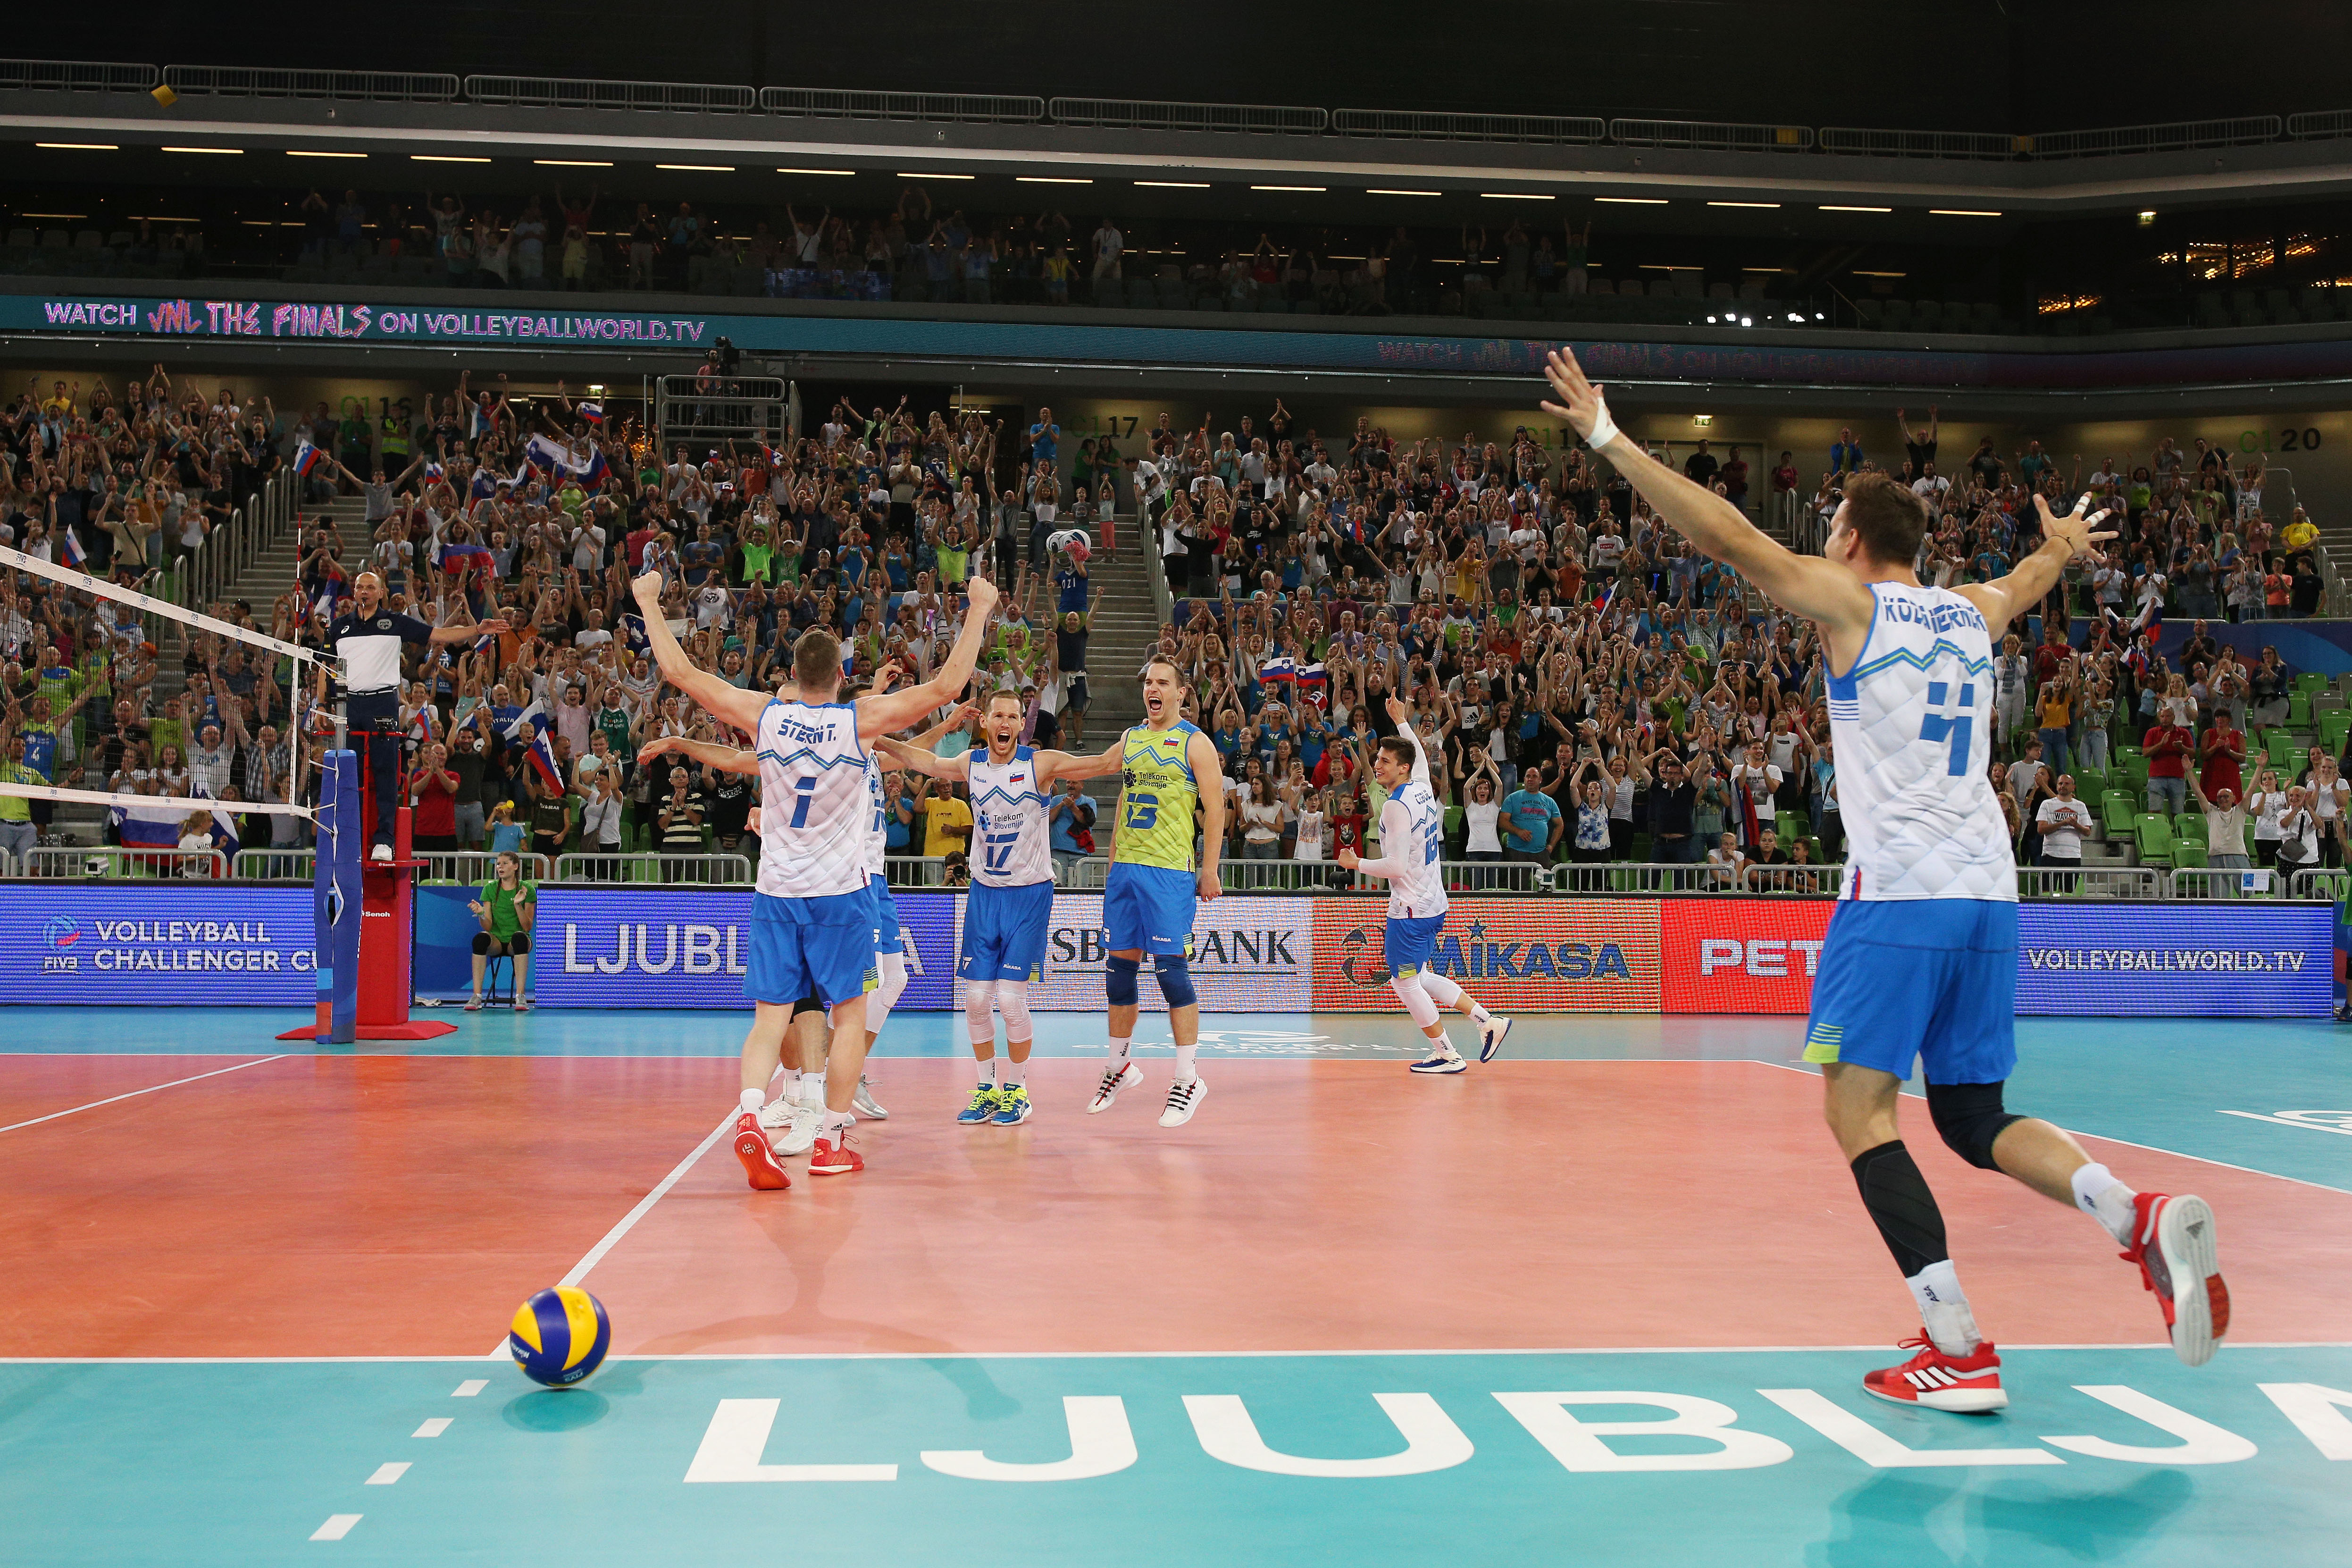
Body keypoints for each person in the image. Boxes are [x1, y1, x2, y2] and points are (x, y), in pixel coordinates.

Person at [1541, 346, 2227, 1411]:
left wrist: (1605, 437)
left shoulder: (1850, 605)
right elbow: (2027, 580)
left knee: (1857, 1111)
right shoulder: (1967, 611)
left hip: (1897, 892)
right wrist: (2057, 549)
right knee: (1969, 1114)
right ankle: (2131, 1213)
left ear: (1852, 541)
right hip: (1987, 892)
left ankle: (1954, 1343)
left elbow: (1724, 537)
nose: (1819, 544)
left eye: (1827, 531)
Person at [629, 567, 998, 1187]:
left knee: (770, 1017)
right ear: (838, 674)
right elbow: (947, 685)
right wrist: (980, 608)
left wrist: (646, 600)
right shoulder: (860, 721)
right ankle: (830, 1139)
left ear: (795, 672)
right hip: (841, 894)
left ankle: (751, 1113)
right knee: (850, 1015)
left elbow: (682, 675)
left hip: (776, 890)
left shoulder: (767, 716)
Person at [880, 692, 1121, 1125]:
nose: (1005, 722)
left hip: (1028, 895)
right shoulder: (970, 764)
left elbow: (1102, 763)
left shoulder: (1039, 763)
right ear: (986, 723)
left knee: (1010, 999)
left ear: (1019, 725)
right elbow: (927, 763)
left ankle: (1018, 1090)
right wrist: (882, 742)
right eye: (998, 715)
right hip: (984, 894)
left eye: (1013, 715)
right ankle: (987, 1089)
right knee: (975, 1000)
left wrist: (1140, 740)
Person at [1339, 695, 1511, 1073]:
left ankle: (1448, 1053)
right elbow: (1417, 751)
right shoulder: (1420, 785)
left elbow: (1396, 866)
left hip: (1411, 908)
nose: (1378, 764)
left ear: (1402, 768)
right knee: (1420, 976)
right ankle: (1488, 1021)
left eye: (1385, 760)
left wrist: (1357, 863)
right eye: (1378, 758)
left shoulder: (1396, 805)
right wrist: (1401, 721)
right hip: (1434, 901)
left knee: (1404, 985)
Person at [1089, 656, 1226, 1129]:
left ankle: (1188, 1078)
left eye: (1162, 682)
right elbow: (1116, 785)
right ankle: (1119, 1066)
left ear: (1180, 693)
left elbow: (1215, 809)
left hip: (1169, 871)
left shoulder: (1195, 742)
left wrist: (1209, 869)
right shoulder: (1130, 738)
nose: (1153, 688)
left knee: (1171, 973)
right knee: (1117, 972)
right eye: (1147, 681)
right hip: (1126, 870)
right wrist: (1036, 766)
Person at [323, 571, 485, 861]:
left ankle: (383, 841)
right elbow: (325, 667)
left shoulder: (394, 622)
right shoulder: (338, 627)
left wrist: (477, 629)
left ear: (381, 592)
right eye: (360, 587)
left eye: (370, 588)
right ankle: (350, 837)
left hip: (383, 703)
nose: (364, 592)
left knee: (385, 773)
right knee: (348, 773)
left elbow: (439, 635)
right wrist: (323, 705)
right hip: (348, 706)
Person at [465, 849, 535, 1011]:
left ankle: (521, 997)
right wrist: (482, 914)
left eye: (505, 863)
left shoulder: (526, 889)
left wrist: (517, 904)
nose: (500, 867)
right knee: (480, 940)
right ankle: (476, 997)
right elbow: (488, 926)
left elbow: (527, 927)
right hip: (496, 941)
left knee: (519, 939)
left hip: (518, 941)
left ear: (516, 866)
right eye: (498, 864)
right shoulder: (490, 890)